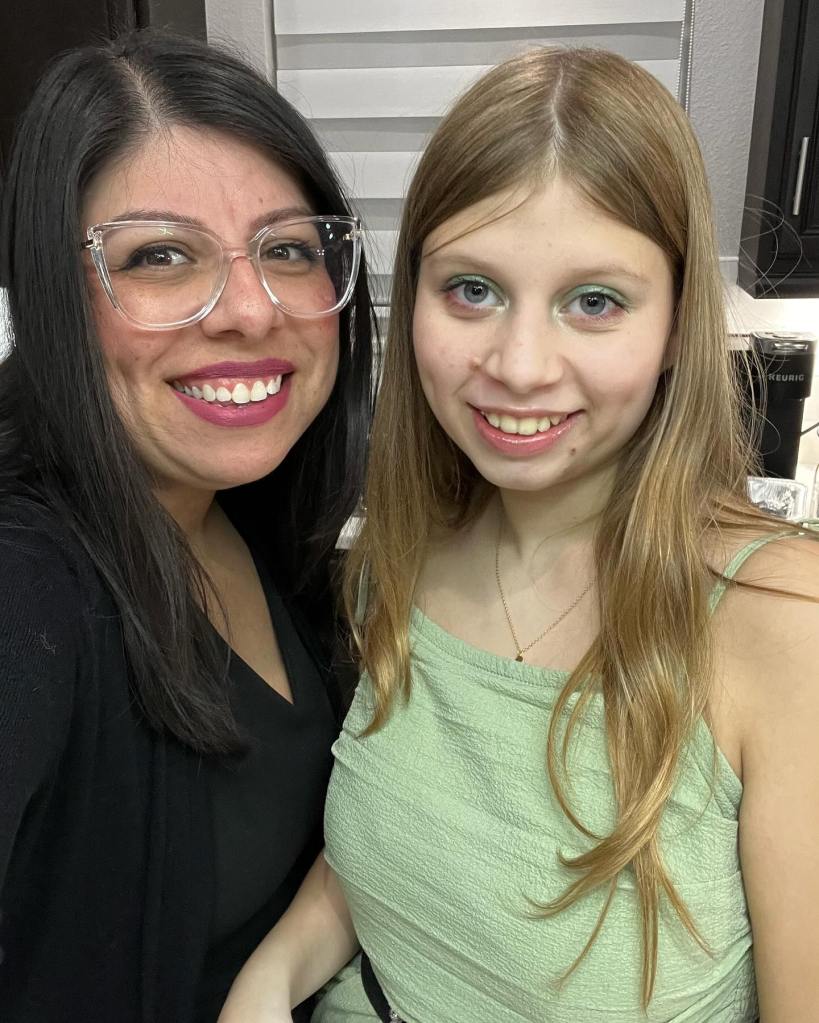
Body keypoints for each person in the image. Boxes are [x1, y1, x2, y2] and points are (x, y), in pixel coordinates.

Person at [219, 47, 819, 1023]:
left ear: (675, 325)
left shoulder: (783, 623)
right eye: (473, 290)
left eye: (595, 302)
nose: (520, 364)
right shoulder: (397, 558)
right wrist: (268, 981)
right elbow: (379, 857)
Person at [0, 29, 375, 1023]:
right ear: (51, 296)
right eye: (160, 256)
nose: (251, 310)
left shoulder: (251, 513)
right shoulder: (28, 584)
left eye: (289, 248)